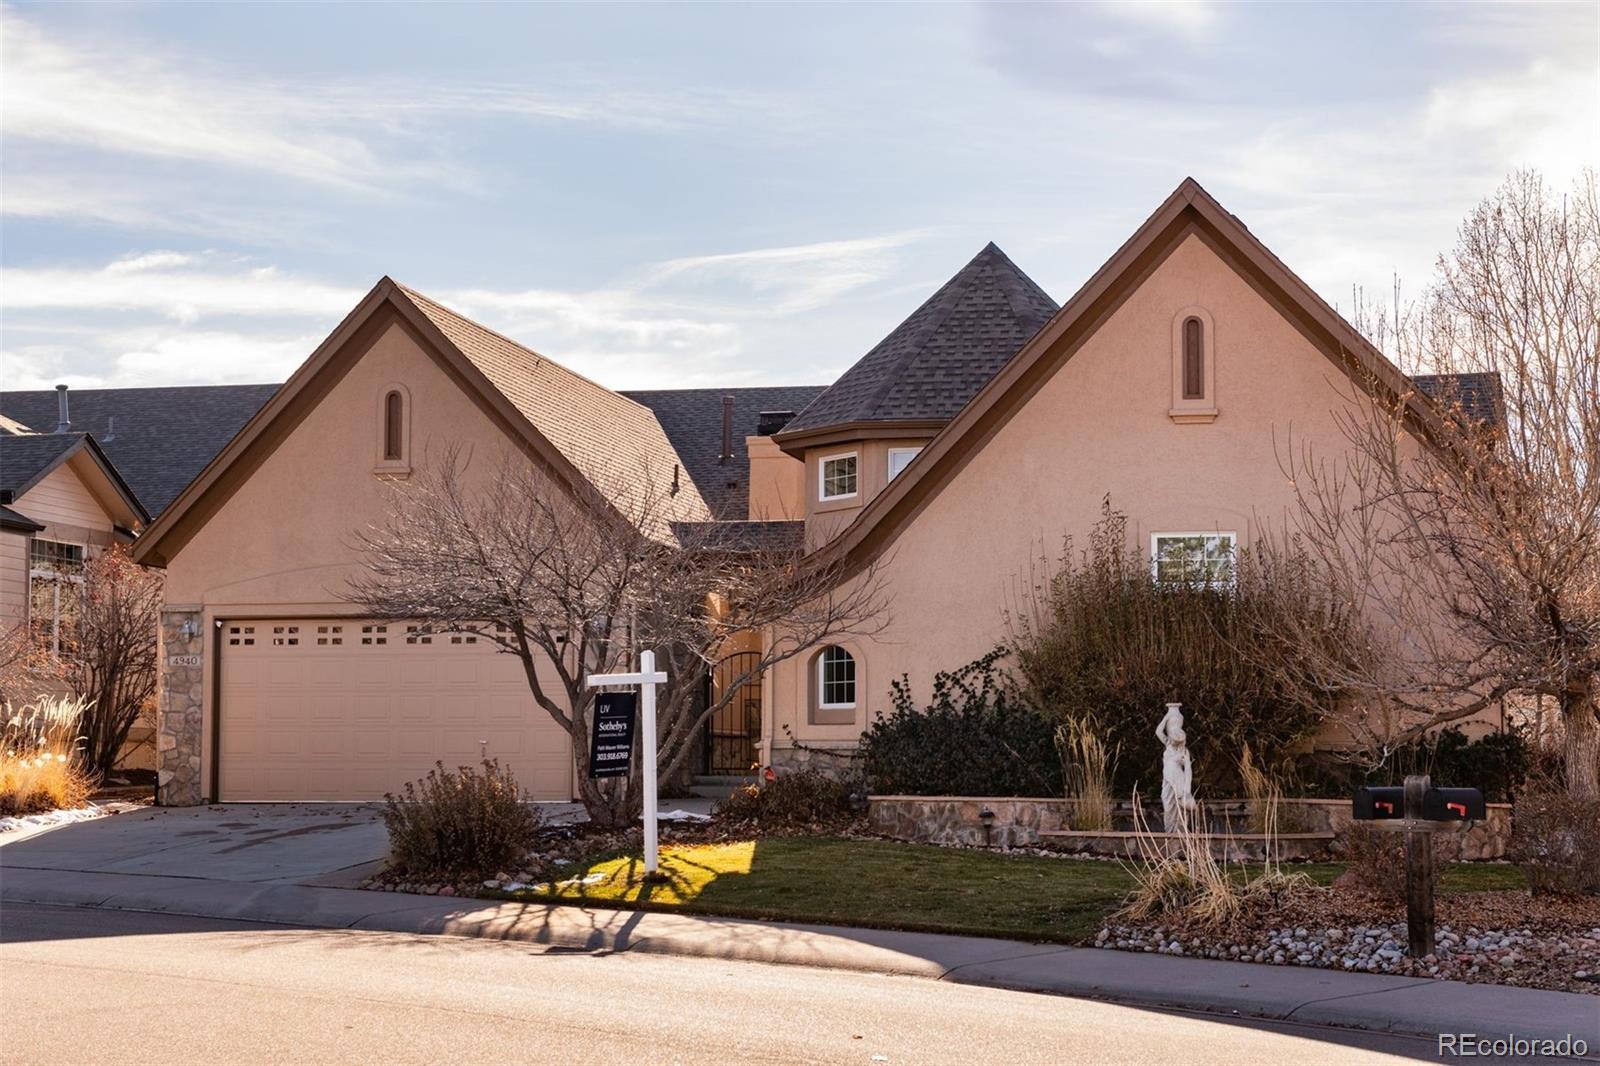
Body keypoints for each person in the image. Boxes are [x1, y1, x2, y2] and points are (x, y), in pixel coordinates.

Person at [1156, 703, 1197, 833]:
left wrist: (1187, 789)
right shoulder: (1168, 744)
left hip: (1178, 781)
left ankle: (1180, 831)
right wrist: (1167, 716)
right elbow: (1158, 731)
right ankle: (1170, 831)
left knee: (1181, 809)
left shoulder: (1184, 752)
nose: (1173, 742)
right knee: (1168, 806)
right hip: (1167, 781)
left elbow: (1188, 772)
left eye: (1176, 741)